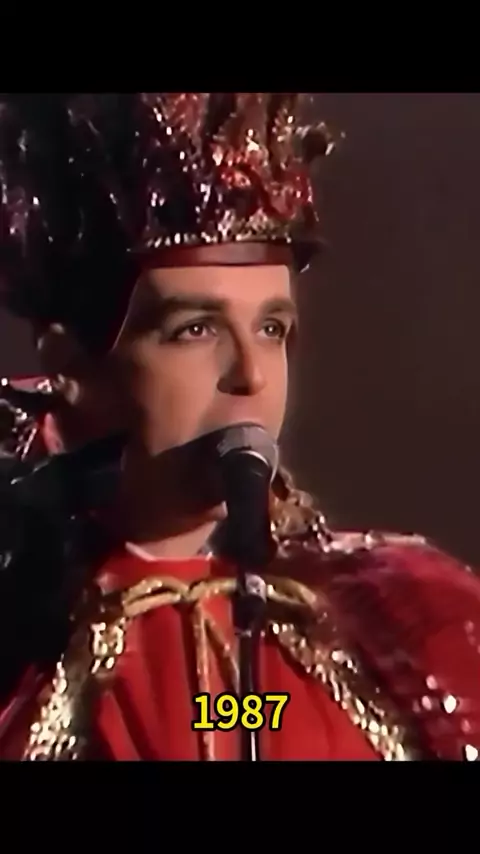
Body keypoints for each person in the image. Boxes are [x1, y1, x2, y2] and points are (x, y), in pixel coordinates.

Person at [0, 92, 479, 762]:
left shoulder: (404, 615)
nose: (251, 375)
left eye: (271, 328)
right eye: (196, 330)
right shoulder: (22, 630)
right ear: (71, 363)